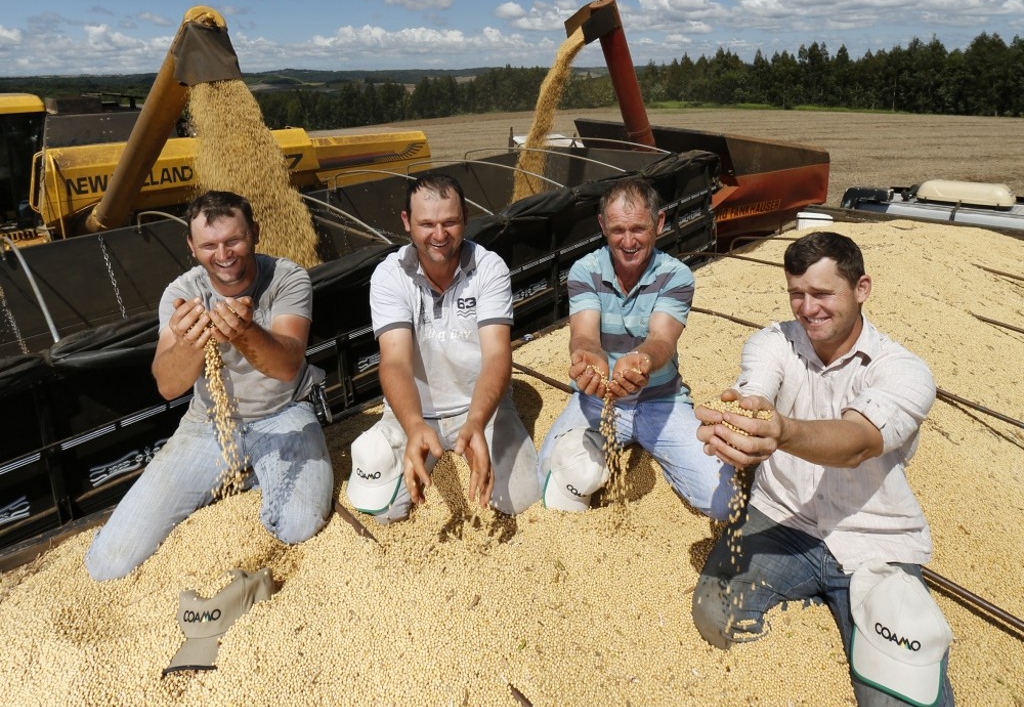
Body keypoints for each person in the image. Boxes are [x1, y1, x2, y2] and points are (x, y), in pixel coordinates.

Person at [691, 230, 955, 707]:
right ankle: (817, 596)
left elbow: (857, 443)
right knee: (714, 618)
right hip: (783, 518)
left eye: (822, 293)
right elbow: (757, 390)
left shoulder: (902, 371)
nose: (808, 308)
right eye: (796, 293)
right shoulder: (775, 341)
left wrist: (780, 432)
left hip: (871, 541)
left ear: (862, 288)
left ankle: (889, 622)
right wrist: (741, 413)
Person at [85, 191, 333, 580]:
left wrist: (245, 332)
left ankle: (252, 474)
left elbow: (287, 366)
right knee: (107, 563)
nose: (224, 254)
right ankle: (244, 475)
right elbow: (168, 386)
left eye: (233, 240)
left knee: (299, 525)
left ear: (254, 233)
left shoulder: (287, 278)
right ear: (191, 246)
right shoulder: (182, 294)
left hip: (284, 413)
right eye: (209, 245)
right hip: (210, 424)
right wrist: (188, 343)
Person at [346, 172, 540, 520]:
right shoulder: (390, 276)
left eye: (450, 222)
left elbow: (497, 355)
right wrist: (413, 424)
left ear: (465, 216)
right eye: (427, 224)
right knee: (383, 512)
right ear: (406, 222)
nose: (439, 235)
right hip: (414, 411)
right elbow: (395, 363)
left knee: (520, 498)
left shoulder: (488, 268)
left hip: (479, 407)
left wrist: (478, 421)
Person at [536, 176, 733, 518]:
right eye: (617, 230)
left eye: (638, 229)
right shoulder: (586, 270)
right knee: (547, 478)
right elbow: (583, 336)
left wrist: (641, 361)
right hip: (597, 399)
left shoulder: (676, 275)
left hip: (661, 401)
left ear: (658, 223)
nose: (628, 241)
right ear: (602, 226)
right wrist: (588, 359)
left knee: (720, 500)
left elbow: (661, 340)